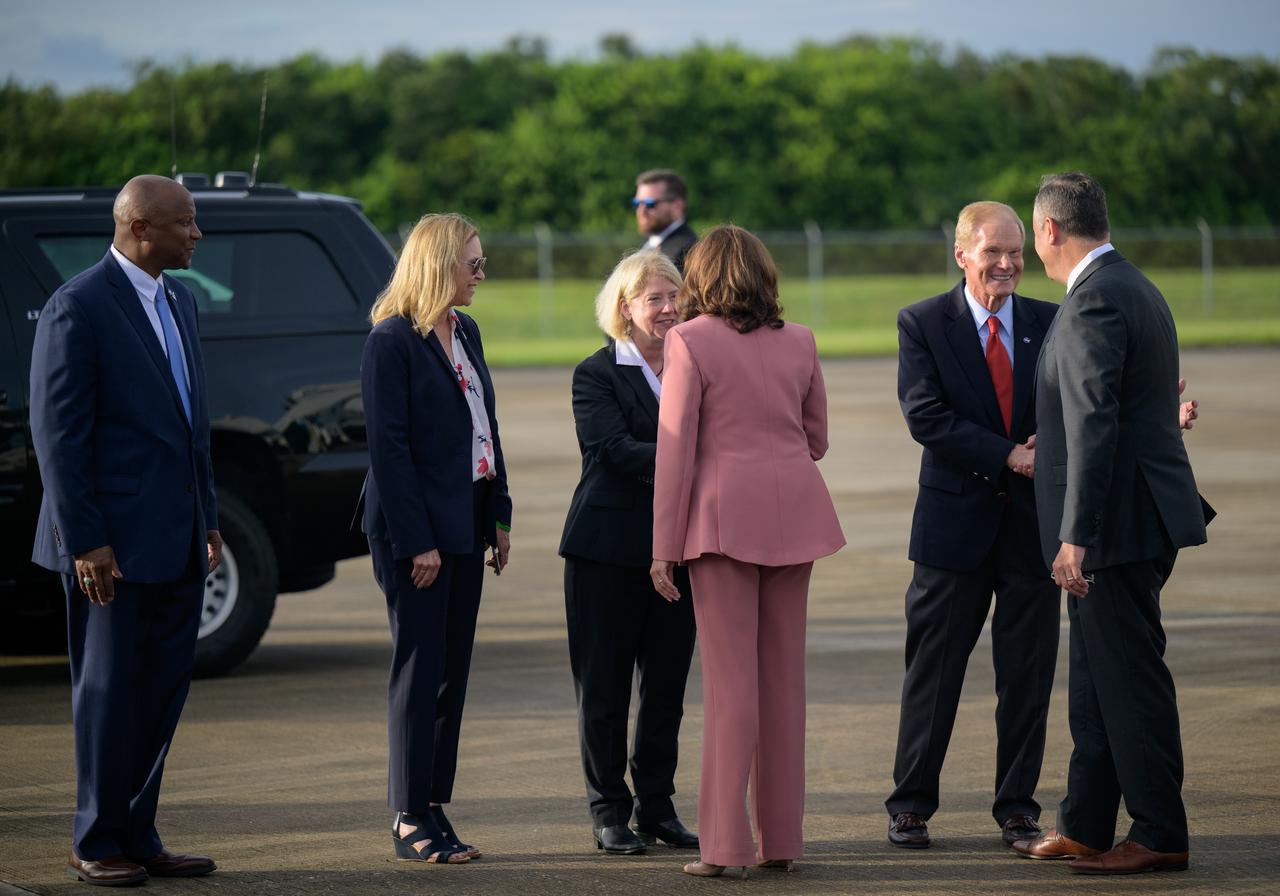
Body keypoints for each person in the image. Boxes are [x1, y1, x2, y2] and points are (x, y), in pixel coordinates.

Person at [1013, 172, 1213, 875]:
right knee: (1095, 678)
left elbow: (1096, 419)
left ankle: (1159, 831)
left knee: (1128, 680)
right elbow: (1124, 407)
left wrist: (1078, 533)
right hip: (1133, 513)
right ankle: (1088, 824)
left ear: (1048, 231)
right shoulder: (1134, 285)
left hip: (1114, 526)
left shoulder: (1095, 300)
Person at [29, 174, 221, 885]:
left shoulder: (181, 301)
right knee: (109, 693)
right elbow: (59, 437)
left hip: (176, 537)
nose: (196, 234)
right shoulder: (78, 308)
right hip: (108, 548)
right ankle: (95, 837)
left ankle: (138, 832)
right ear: (140, 227)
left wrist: (208, 516)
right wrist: (85, 540)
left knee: (162, 691)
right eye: (185, 223)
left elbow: (190, 423)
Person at [650, 225, 846, 878]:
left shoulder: (687, 341)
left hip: (722, 522)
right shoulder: (800, 341)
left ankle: (724, 848)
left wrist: (663, 547)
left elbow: (675, 452)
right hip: (797, 511)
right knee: (782, 684)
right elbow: (816, 438)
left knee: (731, 689)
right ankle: (781, 841)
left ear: (700, 277)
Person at [886, 201, 1060, 851]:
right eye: (994, 252)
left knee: (1028, 674)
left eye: (1016, 251)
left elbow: (1078, 397)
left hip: (1032, 530)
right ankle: (910, 805)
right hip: (952, 528)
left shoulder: (1052, 320)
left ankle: (1017, 807)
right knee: (933, 673)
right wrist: (1009, 453)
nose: (1009, 263)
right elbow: (925, 416)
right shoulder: (924, 323)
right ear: (961, 254)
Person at [355, 212, 513, 865]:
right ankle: (406, 814)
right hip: (414, 529)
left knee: (452, 673)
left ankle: (433, 802)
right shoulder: (391, 341)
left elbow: (485, 429)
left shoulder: (465, 330)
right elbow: (388, 450)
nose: (481, 273)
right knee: (420, 672)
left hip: (466, 521)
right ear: (438, 264)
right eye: (472, 263)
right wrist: (416, 539)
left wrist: (498, 519)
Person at [559, 251, 699, 856]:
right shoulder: (596, 374)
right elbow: (612, 449)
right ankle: (608, 810)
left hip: (683, 548)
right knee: (606, 688)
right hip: (606, 550)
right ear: (624, 307)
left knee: (666, 688)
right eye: (654, 299)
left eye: (675, 297)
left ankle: (657, 807)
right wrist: (697, 458)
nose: (668, 309)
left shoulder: (697, 365)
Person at [633, 169, 697, 273]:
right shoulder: (651, 243)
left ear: (677, 206)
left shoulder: (687, 251)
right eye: (637, 203)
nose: (641, 211)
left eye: (650, 204)